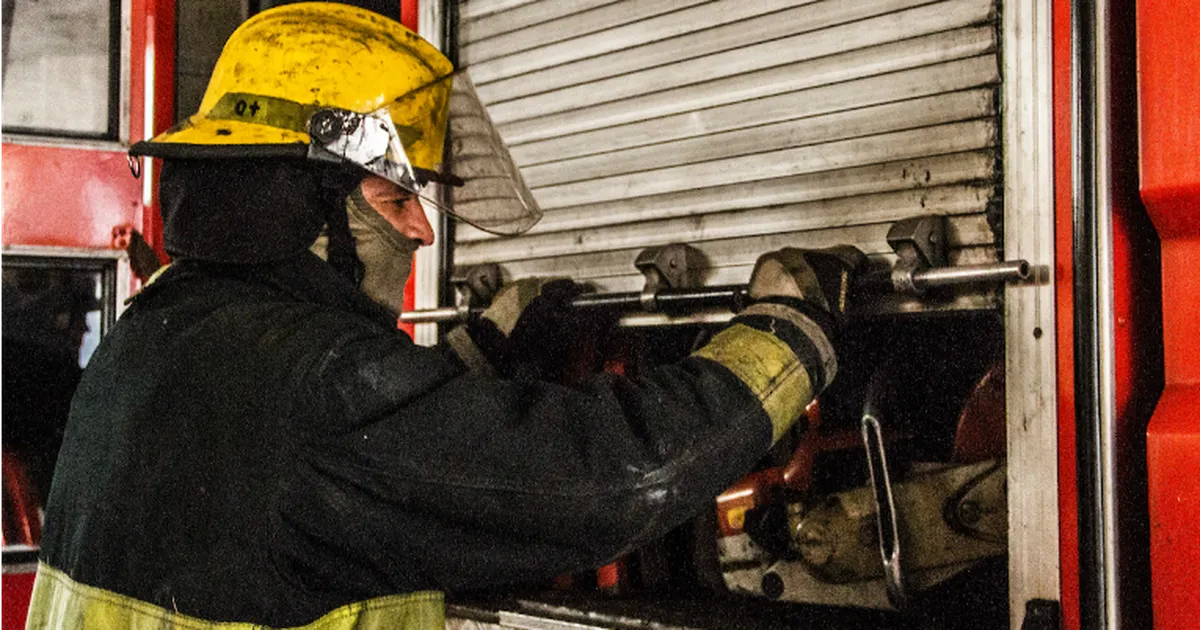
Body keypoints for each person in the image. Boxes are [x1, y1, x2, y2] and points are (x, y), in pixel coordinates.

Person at [25, 3, 865, 628]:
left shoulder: (161, 335)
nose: (424, 228)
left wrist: (480, 350)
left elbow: (326, 468)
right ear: (302, 204)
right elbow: (615, 479)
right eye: (396, 198)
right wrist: (787, 336)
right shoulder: (319, 383)